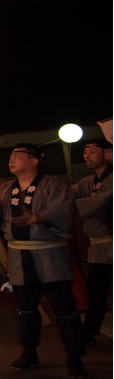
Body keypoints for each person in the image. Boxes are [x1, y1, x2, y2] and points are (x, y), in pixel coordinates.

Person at [0, 143, 87, 379]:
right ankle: (29, 353)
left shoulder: (53, 184)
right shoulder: (7, 188)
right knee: (26, 309)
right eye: (11, 155)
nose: (12, 159)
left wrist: (37, 217)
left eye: (18, 155)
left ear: (35, 160)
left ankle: (75, 357)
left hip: (50, 253)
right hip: (19, 256)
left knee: (64, 308)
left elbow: (63, 209)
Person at [71, 139, 112, 345]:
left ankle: (90, 330)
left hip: (110, 243)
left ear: (107, 153)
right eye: (85, 152)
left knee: (99, 288)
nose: (86, 156)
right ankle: (90, 331)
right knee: (96, 289)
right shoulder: (88, 182)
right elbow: (68, 194)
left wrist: (76, 204)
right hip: (98, 245)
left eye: (92, 151)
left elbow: (99, 203)